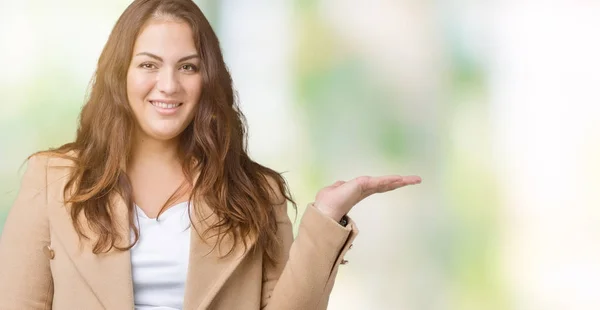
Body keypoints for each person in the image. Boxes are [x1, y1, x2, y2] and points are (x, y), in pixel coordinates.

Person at [0, 0, 421, 309]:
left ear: (208, 78)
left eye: (188, 66)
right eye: (148, 65)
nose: (168, 85)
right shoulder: (53, 179)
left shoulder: (256, 191)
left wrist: (326, 217)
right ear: (119, 74)